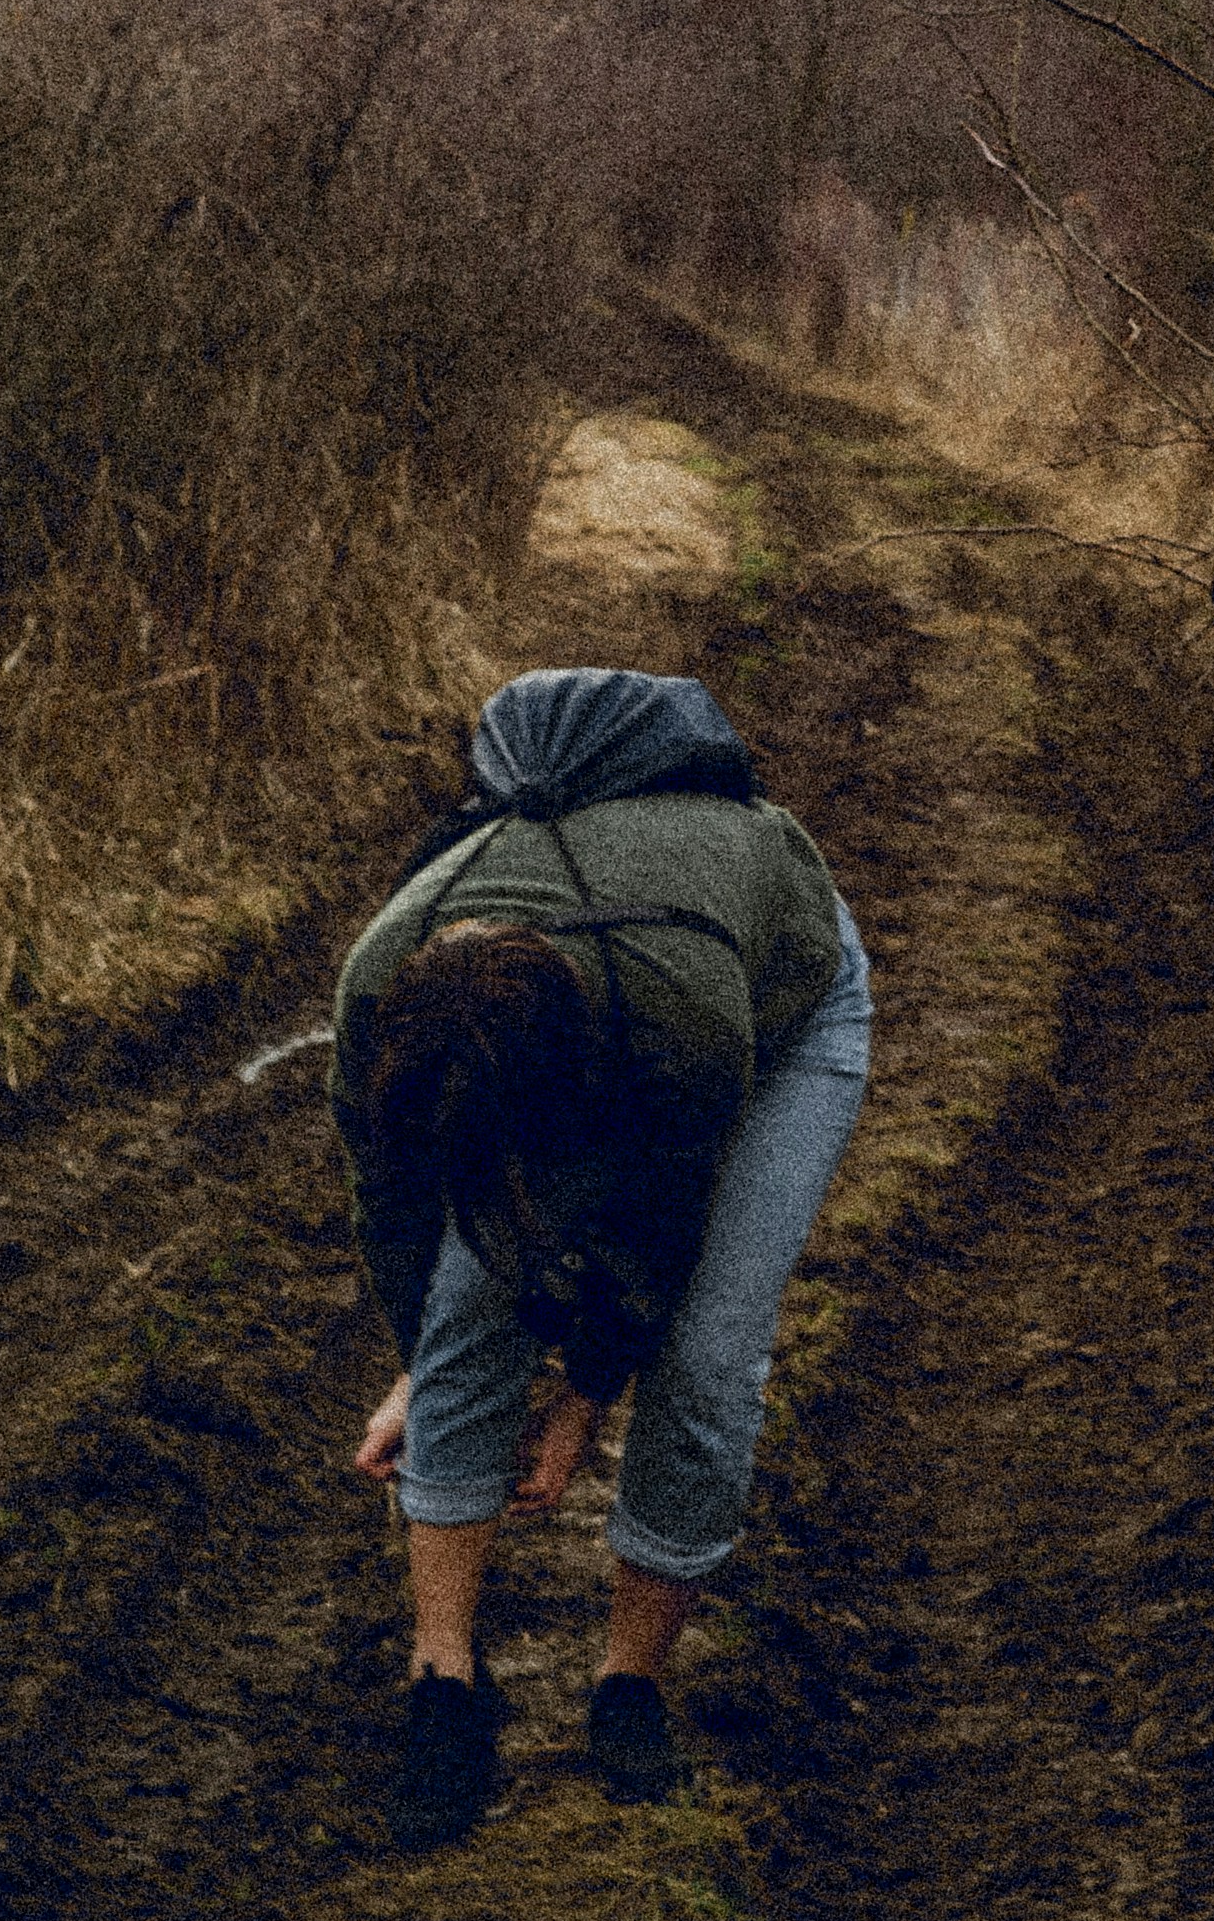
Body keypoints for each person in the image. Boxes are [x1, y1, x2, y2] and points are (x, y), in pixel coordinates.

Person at [329, 665, 872, 1849]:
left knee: (707, 1362)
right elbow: (399, 1215)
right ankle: (444, 1687)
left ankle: (629, 1688)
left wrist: (583, 1389)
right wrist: (421, 1358)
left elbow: (659, 1235)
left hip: (778, 1004)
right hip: (619, 989)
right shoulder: (381, 991)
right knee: (471, 1312)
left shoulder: (682, 1027)